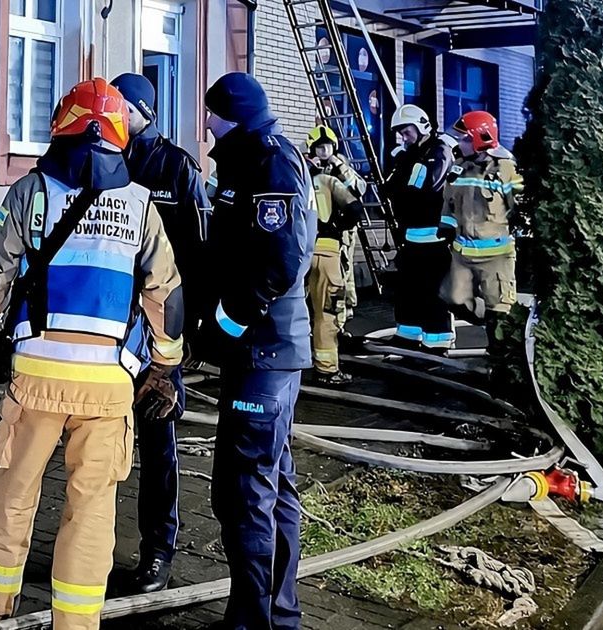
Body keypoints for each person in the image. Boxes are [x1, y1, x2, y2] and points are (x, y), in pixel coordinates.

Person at [0, 78, 184, 630]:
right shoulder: (140, 204)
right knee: (92, 512)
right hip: (108, 388)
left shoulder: (30, 192)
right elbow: (165, 296)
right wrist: (165, 367)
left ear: (63, 128)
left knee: (12, 499)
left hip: (35, 381)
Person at [198, 72, 315, 630]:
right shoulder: (250, 159)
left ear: (234, 114)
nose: (207, 126)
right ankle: (275, 614)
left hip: (263, 349)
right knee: (270, 482)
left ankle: (254, 623)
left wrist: (226, 323)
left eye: (213, 115)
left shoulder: (269, 160)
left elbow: (277, 259)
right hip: (260, 351)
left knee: (246, 491)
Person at [109, 72, 211, 594]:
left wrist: (186, 333)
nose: (112, 111)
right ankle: (93, 547)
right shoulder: (100, 159)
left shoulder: (176, 167)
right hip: (104, 329)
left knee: (157, 439)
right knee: (99, 441)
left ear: (144, 111)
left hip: (154, 334)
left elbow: (198, 254)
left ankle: (158, 553)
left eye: (121, 104)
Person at [440, 110, 524, 346]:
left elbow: (520, 205)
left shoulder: (505, 168)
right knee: (454, 299)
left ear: (481, 139)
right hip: (463, 255)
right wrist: (446, 225)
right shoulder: (458, 167)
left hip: (496, 256)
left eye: (465, 138)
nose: (459, 143)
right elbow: (449, 201)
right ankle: (487, 319)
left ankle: (500, 362)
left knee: (499, 313)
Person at [386, 104, 455, 352]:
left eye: (407, 132)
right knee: (407, 291)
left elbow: (421, 187)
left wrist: (403, 178)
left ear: (421, 126)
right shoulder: (410, 156)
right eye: (402, 133)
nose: (404, 138)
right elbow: (391, 188)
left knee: (431, 293)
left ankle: (437, 343)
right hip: (411, 239)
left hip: (433, 240)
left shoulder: (439, 151)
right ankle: (407, 336)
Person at [305, 126, 365, 385]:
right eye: (319, 148)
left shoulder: (337, 171)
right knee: (326, 310)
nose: (324, 152)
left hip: (316, 250)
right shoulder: (319, 179)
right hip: (327, 250)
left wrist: (340, 167)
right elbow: (355, 207)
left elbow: (359, 187)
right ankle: (326, 366)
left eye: (327, 147)